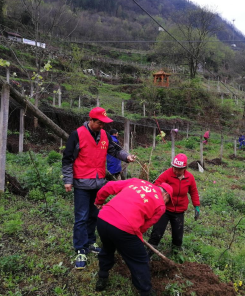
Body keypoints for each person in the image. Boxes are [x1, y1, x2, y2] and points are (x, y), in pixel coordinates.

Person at [62, 107, 136, 269]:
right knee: (81, 216)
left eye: (104, 123)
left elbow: (115, 150)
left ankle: (90, 242)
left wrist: (127, 156)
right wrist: (68, 180)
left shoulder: (104, 135)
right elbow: (67, 159)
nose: (102, 126)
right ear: (92, 120)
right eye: (100, 123)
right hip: (82, 183)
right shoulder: (77, 135)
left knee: (94, 214)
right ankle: (80, 248)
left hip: (98, 182)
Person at [94, 178, 173, 296]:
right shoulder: (161, 205)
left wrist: (99, 201)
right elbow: (144, 226)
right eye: (168, 201)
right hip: (124, 228)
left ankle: (102, 277)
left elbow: (110, 185)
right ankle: (146, 291)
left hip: (103, 219)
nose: (166, 203)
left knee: (108, 247)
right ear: (165, 194)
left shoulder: (137, 181)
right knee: (140, 260)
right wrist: (133, 237)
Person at [148, 153, 200, 257]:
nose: (176, 171)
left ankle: (175, 256)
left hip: (179, 212)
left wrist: (196, 206)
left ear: (185, 168)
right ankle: (147, 255)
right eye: (174, 168)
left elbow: (193, 192)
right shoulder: (167, 174)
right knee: (156, 233)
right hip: (165, 210)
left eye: (179, 169)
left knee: (178, 238)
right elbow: (156, 186)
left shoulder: (190, 178)